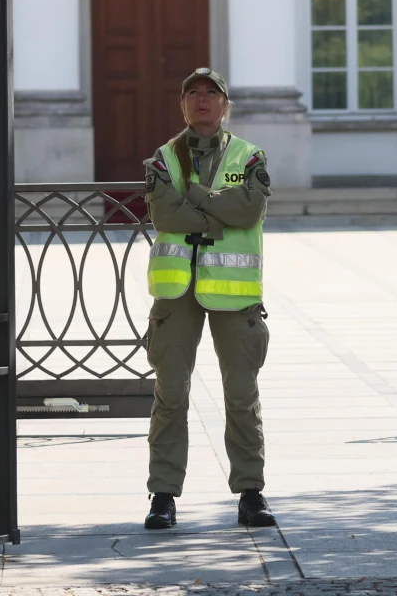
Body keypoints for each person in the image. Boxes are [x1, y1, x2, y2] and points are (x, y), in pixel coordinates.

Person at [140, 67, 276, 530]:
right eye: (193, 93)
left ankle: (251, 493)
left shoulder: (249, 155)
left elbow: (250, 208)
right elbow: (165, 214)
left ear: (225, 104)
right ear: (182, 105)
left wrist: (194, 197)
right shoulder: (163, 158)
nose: (202, 100)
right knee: (171, 394)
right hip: (176, 291)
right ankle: (162, 496)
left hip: (234, 295)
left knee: (241, 394)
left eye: (211, 93)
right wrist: (217, 211)